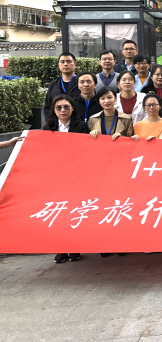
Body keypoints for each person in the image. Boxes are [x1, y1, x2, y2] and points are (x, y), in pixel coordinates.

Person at [44, 94, 87, 264]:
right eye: (59, 108)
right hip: (56, 177)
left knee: (74, 211)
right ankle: (61, 247)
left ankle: (74, 246)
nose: (63, 110)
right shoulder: (48, 128)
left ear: (72, 108)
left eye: (66, 107)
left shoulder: (81, 126)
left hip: (76, 175)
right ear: (54, 110)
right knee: (58, 211)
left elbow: (85, 150)